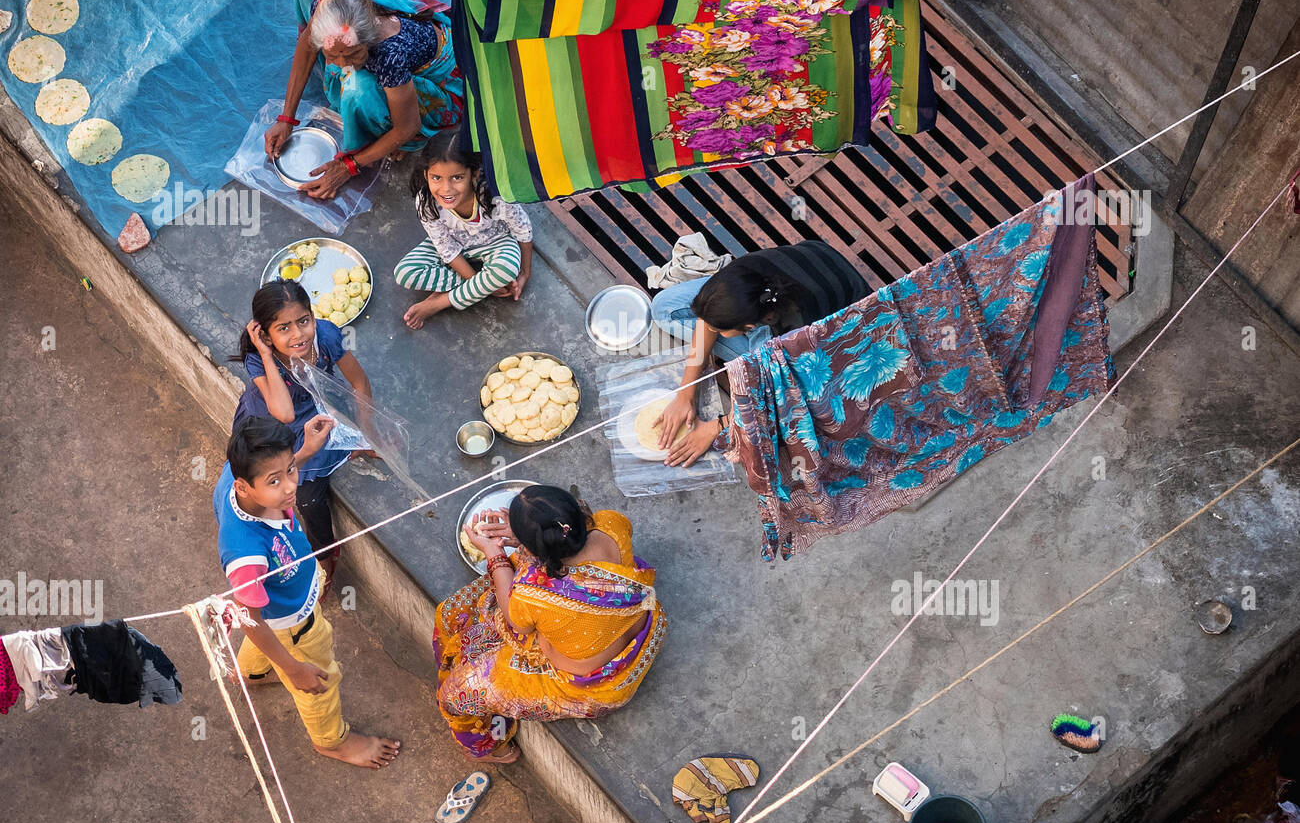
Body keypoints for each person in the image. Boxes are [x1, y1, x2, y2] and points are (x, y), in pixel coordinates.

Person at [214, 416, 400, 770]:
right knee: (319, 680)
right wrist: (294, 669)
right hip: (294, 623)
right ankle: (333, 741)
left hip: (277, 603)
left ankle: (249, 674)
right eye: (275, 481)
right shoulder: (245, 555)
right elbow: (248, 618)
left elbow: (272, 473)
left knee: (265, 634)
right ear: (242, 487)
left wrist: (304, 452)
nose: (289, 488)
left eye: (290, 471)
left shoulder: (232, 476)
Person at [433, 486, 666, 764]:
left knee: (453, 696)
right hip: (641, 630)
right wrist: (530, 532)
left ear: (534, 548)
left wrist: (494, 553)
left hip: (594, 687)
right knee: (453, 612)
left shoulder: (536, 594)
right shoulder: (612, 526)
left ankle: (493, 748)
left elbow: (516, 622)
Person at [650, 240, 869, 467]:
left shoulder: (798, 338)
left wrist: (716, 428)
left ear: (757, 324)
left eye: (718, 329)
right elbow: (705, 321)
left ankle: (755, 361)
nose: (708, 328)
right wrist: (685, 393)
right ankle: (741, 345)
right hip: (810, 274)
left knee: (772, 386)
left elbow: (789, 399)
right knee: (663, 307)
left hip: (841, 331)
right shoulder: (739, 277)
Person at [263, 0, 463, 200]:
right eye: (332, 55)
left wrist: (349, 165)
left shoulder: (390, 54)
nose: (340, 64)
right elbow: (308, 44)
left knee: (358, 91)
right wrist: (287, 118)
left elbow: (407, 127)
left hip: (438, 81)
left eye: (352, 54)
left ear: (368, 40)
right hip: (370, 48)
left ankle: (376, 127)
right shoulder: (329, 10)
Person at [230, 280, 373, 587]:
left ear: (312, 316)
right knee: (279, 490)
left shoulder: (327, 336)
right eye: (283, 328)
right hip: (269, 424)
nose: (298, 335)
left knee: (308, 496)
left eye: (303, 321)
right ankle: (302, 548)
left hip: (313, 415)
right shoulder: (259, 359)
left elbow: (359, 383)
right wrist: (267, 356)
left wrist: (367, 433)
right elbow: (284, 413)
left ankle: (323, 554)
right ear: (265, 335)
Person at [394, 127, 533, 327]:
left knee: (506, 270)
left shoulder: (495, 193)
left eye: (457, 178)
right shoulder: (425, 201)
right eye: (436, 178)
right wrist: (481, 283)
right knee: (405, 273)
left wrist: (525, 273)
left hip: (496, 241)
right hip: (452, 239)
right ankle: (477, 287)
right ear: (426, 174)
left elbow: (523, 229)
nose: (446, 189)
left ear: (474, 173)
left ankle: (438, 303)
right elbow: (446, 248)